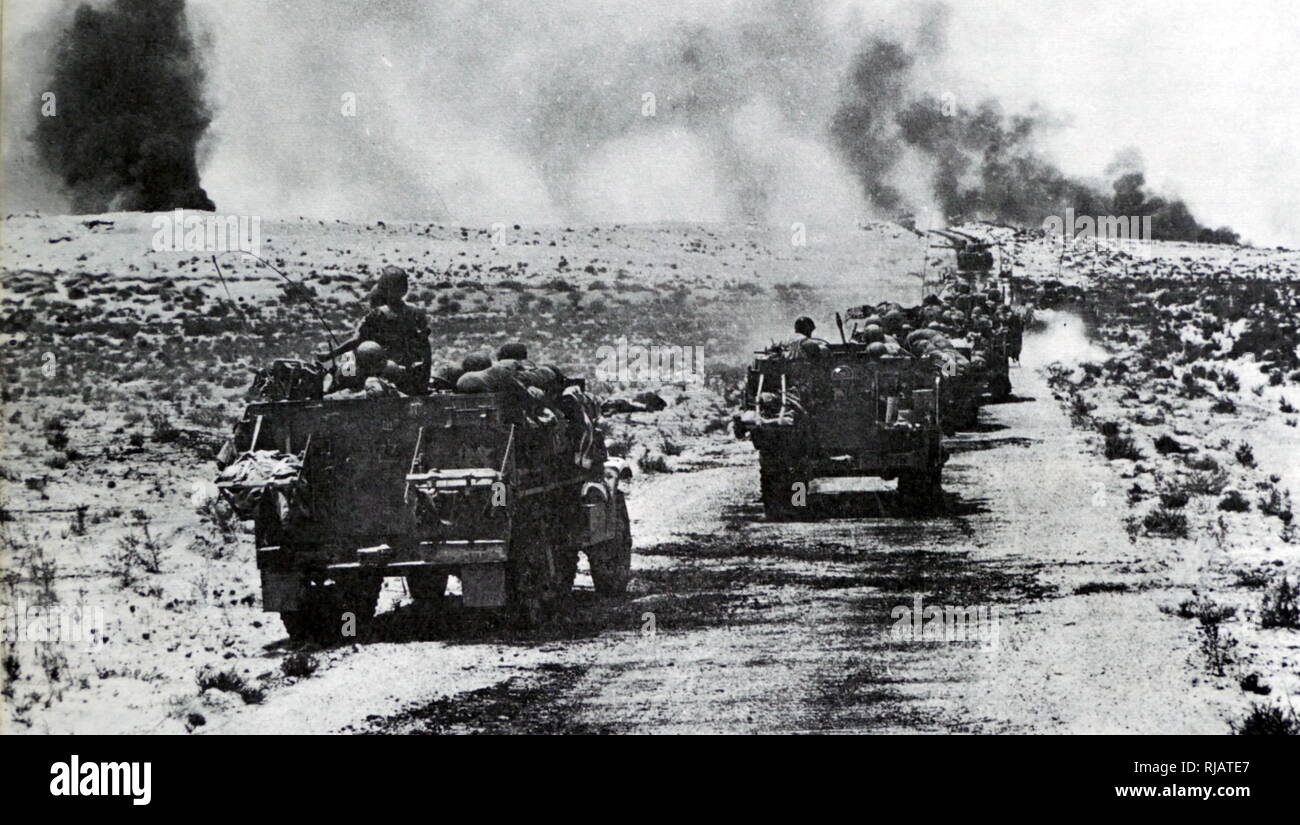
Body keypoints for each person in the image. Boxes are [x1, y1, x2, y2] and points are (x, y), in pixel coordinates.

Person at [324, 265, 431, 394]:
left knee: (348, 357)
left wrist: (331, 355)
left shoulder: (377, 314)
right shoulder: (417, 313)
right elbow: (425, 348)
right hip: (411, 376)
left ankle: (333, 390)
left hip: (382, 370)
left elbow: (357, 340)